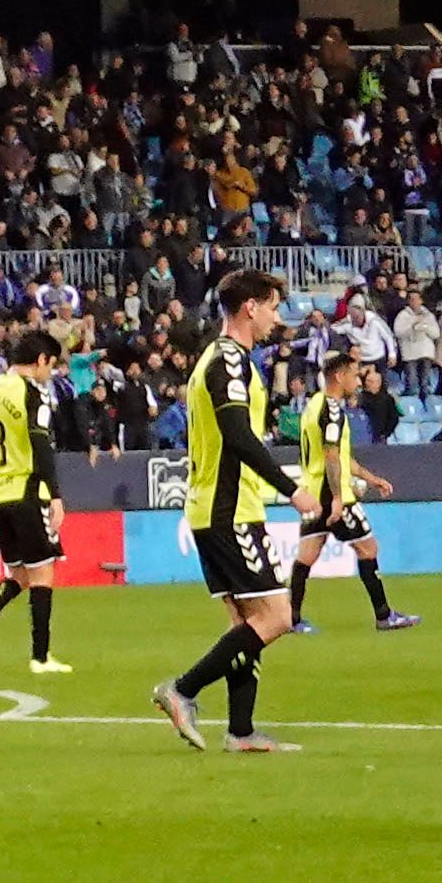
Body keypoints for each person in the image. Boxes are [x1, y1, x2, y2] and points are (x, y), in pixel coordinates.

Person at [155, 267, 299, 758]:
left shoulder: (214, 361)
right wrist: (291, 489)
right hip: (229, 507)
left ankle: (240, 731)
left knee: (247, 622)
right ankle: (183, 689)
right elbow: (238, 435)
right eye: (273, 307)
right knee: (278, 615)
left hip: (210, 507)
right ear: (249, 308)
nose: (276, 319)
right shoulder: (231, 362)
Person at [0, 322, 71, 676]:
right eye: (49, 365)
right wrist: (54, 495)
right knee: (42, 573)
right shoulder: (32, 393)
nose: (49, 373)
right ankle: (41, 657)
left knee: (19, 574)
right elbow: (41, 445)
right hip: (25, 490)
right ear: (40, 360)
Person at [281, 347, 415, 635]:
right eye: (354, 375)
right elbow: (331, 457)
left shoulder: (313, 406)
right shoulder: (331, 409)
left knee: (306, 555)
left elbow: (339, 456)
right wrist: (339, 500)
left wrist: (371, 477)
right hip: (333, 494)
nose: (358, 380)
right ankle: (384, 615)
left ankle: (291, 618)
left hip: (313, 492)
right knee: (368, 548)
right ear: (339, 376)